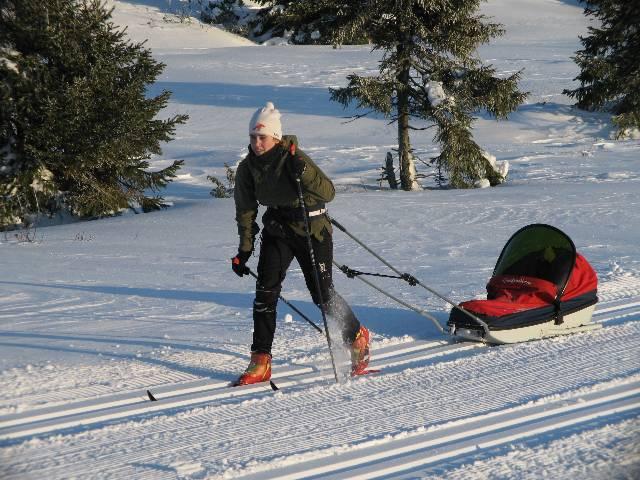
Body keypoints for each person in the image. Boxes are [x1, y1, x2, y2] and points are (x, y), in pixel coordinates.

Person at [231, 101, 371, 385]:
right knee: (265, 293)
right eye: (253, 137)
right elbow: (245, 210)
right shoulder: (247, 169)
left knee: (322, 294)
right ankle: (260, 361)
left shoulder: (293, 158)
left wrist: (303, 171)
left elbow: (328, 192)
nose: (257, 143)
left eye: (263, 137)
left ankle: (356, 336)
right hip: (277, 230)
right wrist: (245, 248)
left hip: (312, 229)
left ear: (276, 137)